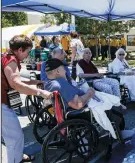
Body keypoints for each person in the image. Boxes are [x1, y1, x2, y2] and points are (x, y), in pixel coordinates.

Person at [1, 35, 52, 163]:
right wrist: (39, 92)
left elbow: (17, 79)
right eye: (28, 51)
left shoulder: (6, 56)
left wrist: (35, 81)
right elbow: (15, 84)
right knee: (15, 137)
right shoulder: (11, 60)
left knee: (10, 137)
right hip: (2, 105)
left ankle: (17, 156)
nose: (28, 54)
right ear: (20, 50)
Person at [44, 58, 125, 138]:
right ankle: (119, 131)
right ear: (57, 71)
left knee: (111, 100)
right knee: (114, 106)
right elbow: (77, 104)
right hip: (78, 110)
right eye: (63, 69)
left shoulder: (48, 83)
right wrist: (90, 93)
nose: (65, 71)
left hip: (66, 110)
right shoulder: (61, 83)